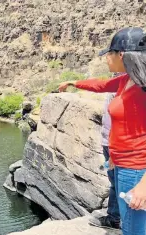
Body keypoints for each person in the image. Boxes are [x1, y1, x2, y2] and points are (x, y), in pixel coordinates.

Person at [58, 27, 146, 235]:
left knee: (134, 229)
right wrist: (73, 82)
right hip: (123, 166)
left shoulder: (142, 88)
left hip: (136, 171)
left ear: (122, 55)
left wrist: (144, 184)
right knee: (131, 225)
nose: (106, 58)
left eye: (110, 53)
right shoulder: (127, 80)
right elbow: (102, 84)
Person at [89, 91, 120, 229]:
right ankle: (115, 216)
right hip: (109, 143)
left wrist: (114, 149)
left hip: (115, 145)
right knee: (115, 182)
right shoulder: (119, 80)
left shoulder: (129, 80)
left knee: (119, 183)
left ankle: (115, 219)